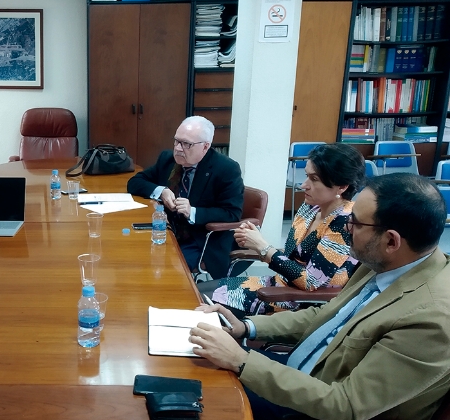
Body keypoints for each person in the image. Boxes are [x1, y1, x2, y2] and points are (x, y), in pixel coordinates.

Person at [191, 173, 450, 420]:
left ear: (391, 241)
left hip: (316, 406)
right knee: (194, 368)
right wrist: (246, 327)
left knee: (201, 401)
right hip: (303, 374)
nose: (346, 228)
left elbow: (346, 406)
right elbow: (327, 314)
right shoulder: (389, 263)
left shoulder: (430, 320)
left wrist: (242, 361)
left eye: (355, 223)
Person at [198, 143, 365, 318]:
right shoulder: (312, 207)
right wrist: (257, 244)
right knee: (193, 290)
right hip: (280, 284)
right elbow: (292, 258)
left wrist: (263, 247)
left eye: (314, 179)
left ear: (342, 186)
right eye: (307, 176)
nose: (303, 185)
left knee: (196, 301)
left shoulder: (344, 222)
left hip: (301, 302)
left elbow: (310, 282)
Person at [127, 116, 243, 279]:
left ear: (205, 146)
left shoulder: (226, 169)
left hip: (199, 239)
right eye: (176, 141)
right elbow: (135, 182)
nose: (178, 149)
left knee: (164, 267)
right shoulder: (168, 160)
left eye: (186, 144)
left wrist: (193, 212)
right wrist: (161, 191)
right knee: (132, 255)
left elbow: (232, 213)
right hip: (167, 230)